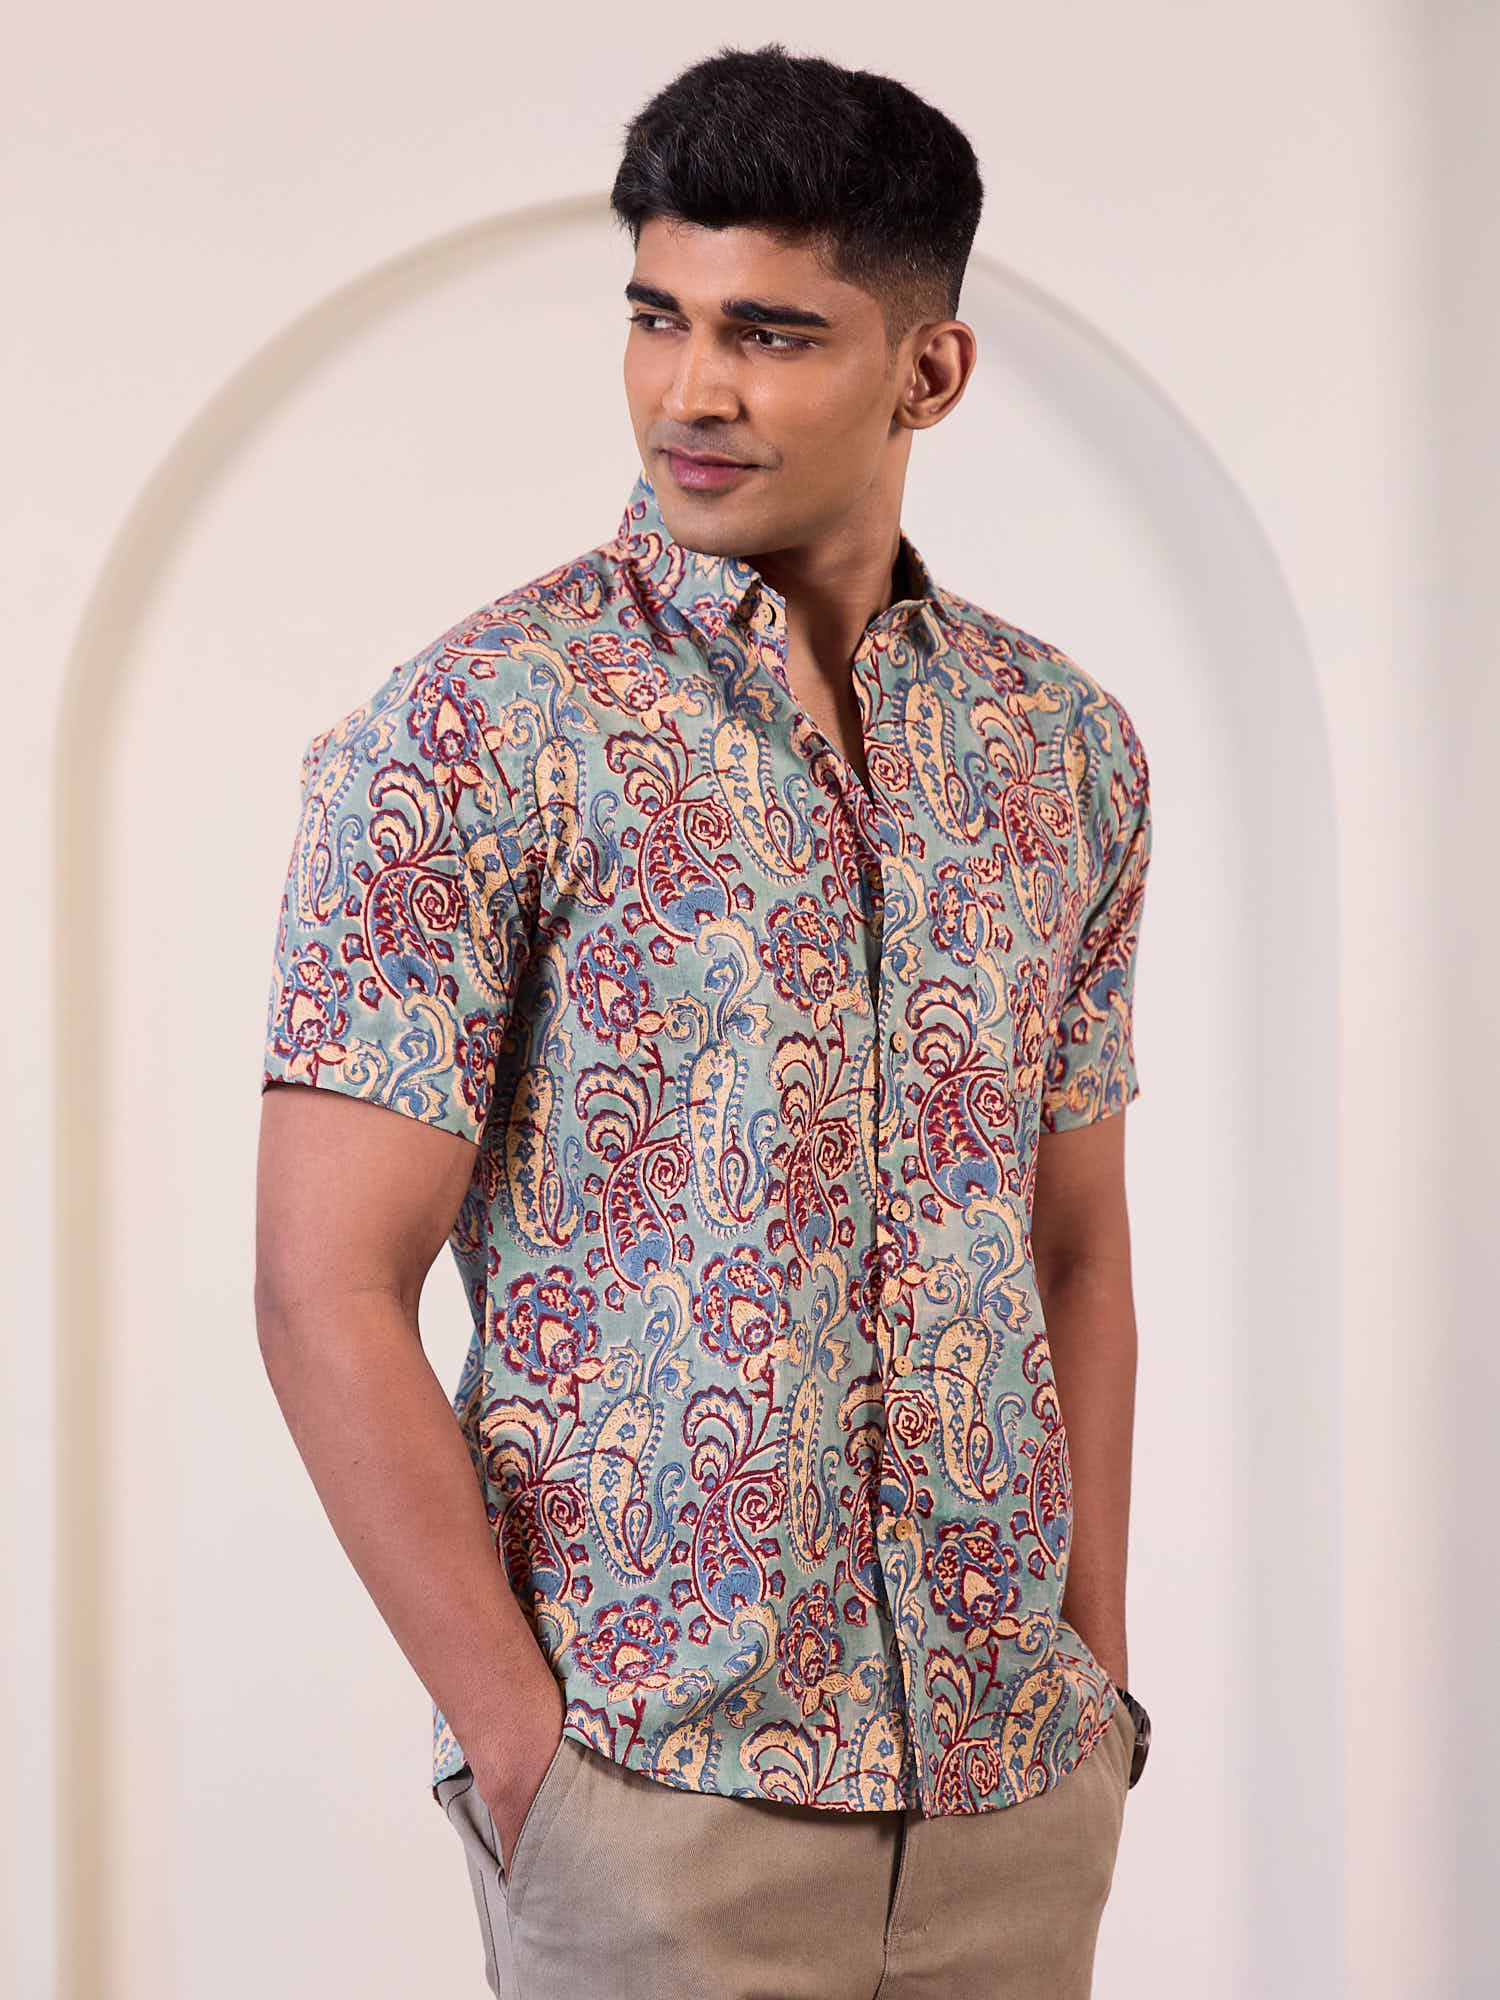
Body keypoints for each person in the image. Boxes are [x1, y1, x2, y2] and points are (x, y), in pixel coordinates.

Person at [254, 40, 1153, 2000]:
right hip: (654, 1811)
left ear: (930, 371)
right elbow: (322, 1280)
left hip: (1018, 1803)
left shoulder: (1061, 749)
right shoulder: (478, 729)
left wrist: (1091, 1679)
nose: (693, 387)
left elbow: (1071, 1239)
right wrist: (527, 1757)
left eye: (772, 330)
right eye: (656, 315)